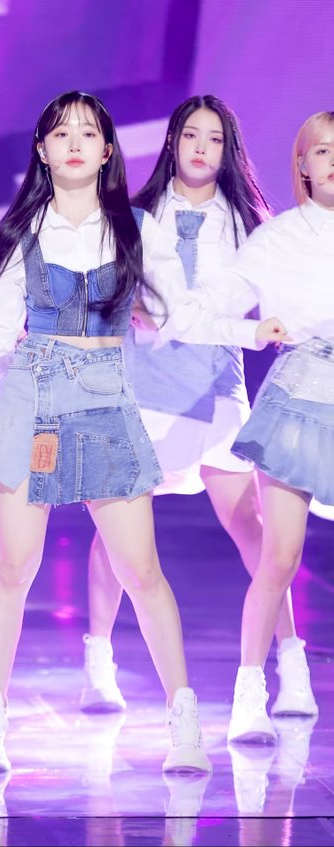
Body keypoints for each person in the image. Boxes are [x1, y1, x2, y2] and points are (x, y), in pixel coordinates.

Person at [0, 91, 285, 774]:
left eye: (87, 132)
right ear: (42, 151)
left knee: (142, 570)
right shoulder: (23, 232)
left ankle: (183, 720)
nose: (73, 142)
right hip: (33, 405)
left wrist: (250, 333)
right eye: (60, 132)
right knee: (13, 568)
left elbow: (182, 315)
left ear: (106, 151)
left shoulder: (134, 228)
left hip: (105, 405)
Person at [80, 95, 317, 727]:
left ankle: (290, 662)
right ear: (172, 142)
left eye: (215, 139)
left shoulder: (249, 224)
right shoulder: (134, 216)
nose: (202, 148)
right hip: (144, 388)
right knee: (115, 535)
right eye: (191, 135)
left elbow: (277, 300)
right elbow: (102, 292)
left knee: (255, 530)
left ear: (228, 150)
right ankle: (98, 659)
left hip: (215, 391)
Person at [222, 110, 334, 742]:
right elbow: (218, 303)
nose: (333, 160)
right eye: (323, 150)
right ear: (303, 165)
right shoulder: (277, 237)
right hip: (299, 398)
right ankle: (250, 691)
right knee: (280, 555)